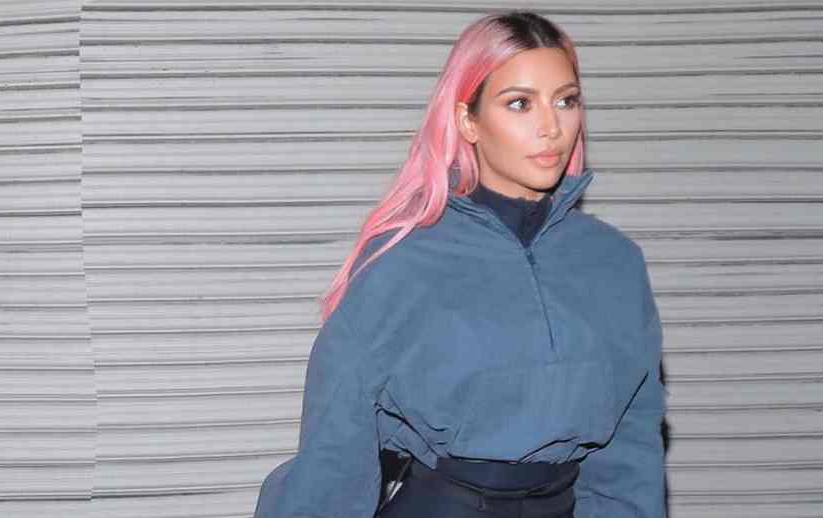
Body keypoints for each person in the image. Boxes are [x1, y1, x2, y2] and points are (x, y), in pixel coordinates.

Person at [253, 9, 666, 518]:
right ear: (468, 120)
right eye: (520, 103)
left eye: (566, 100)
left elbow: (631, 451)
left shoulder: (613, 263)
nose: (551, 127)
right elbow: (335, 453)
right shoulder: (401, 261)